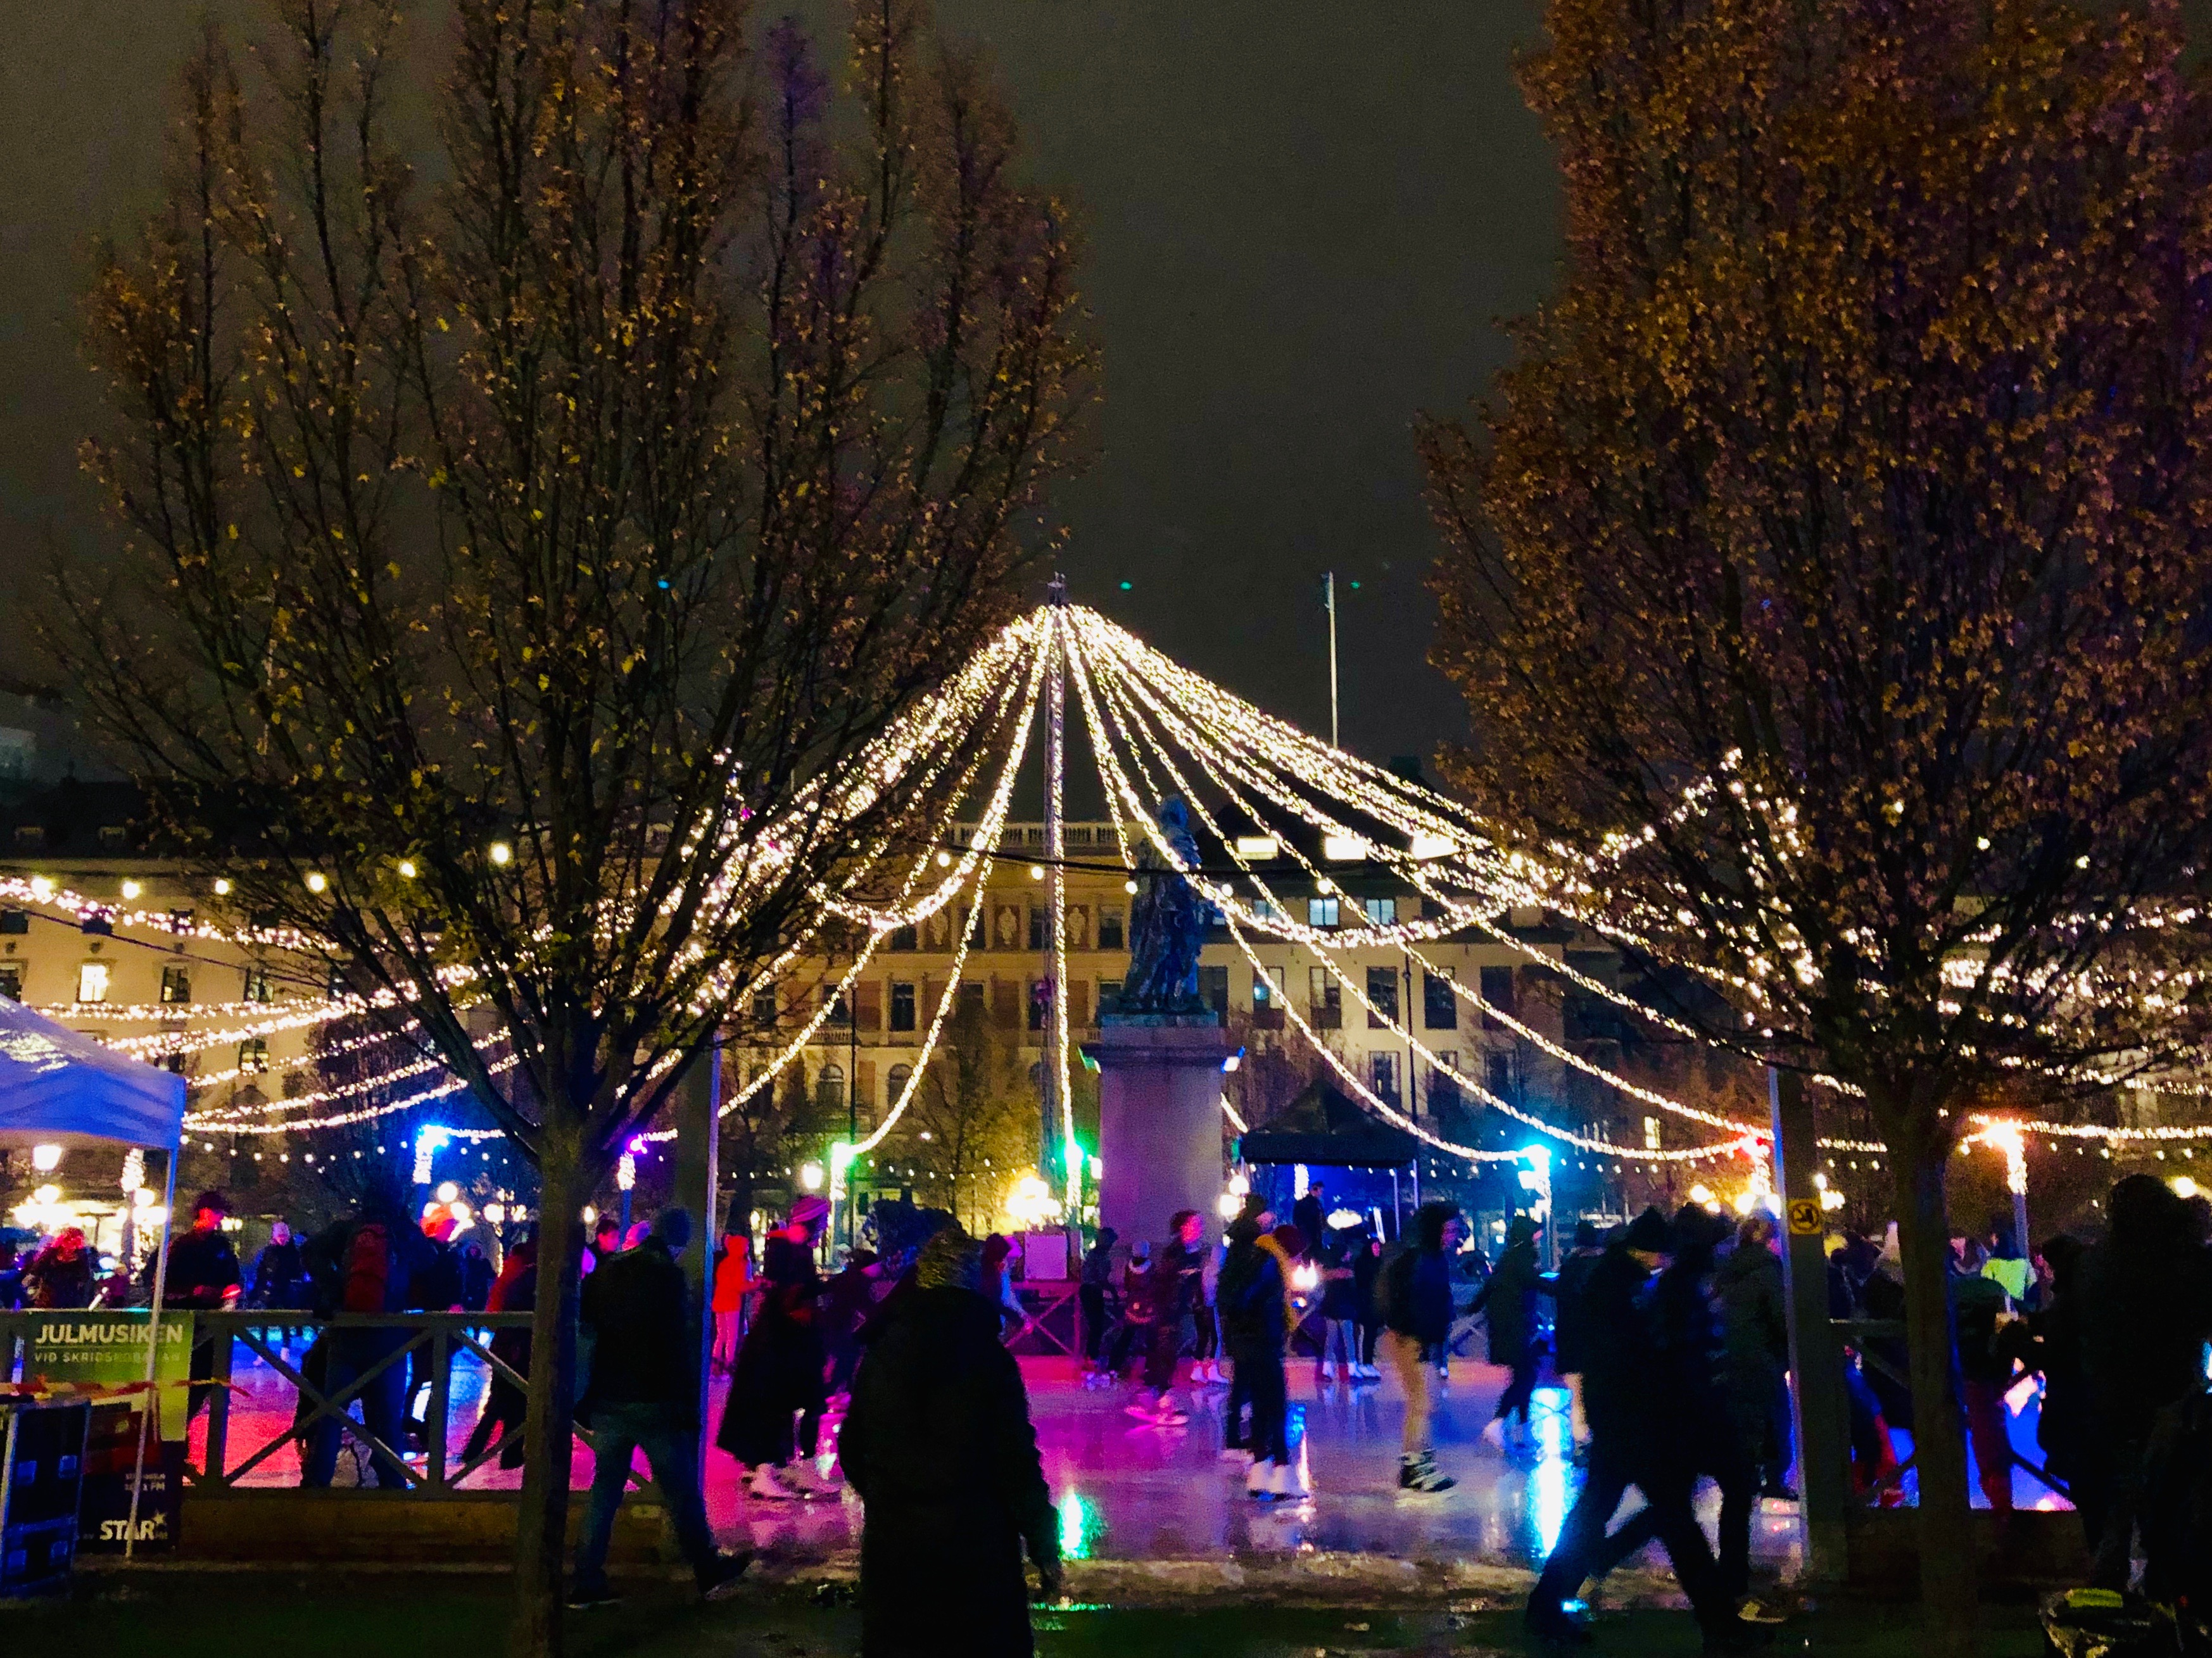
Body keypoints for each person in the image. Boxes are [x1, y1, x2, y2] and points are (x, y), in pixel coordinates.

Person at [1526, 1206, 1751, 1651]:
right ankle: (1720, 1625)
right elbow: (1633, 1357)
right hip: (1633, 1421)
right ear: (1645, 1251)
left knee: (1604, 1512)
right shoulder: (1625, 1291)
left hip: (1622, 1420)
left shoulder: (1614, 1283)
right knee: (1673, 1520)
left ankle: (1546, 1606)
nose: (1660, 1262)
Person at [841, 1225, 1061, 1657]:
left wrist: (893, 1496)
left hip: (897, 1550)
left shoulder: (882, 1353)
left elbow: (853, 1447)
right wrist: (1042, 1544)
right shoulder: (988, 1358)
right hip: (977, 1547)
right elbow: (1016, 1461)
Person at [569, 1208, 750, 1609]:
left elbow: (588, 1332)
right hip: (653, 1400)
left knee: (605, 1490)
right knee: (681, 1490)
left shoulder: (609, 1272)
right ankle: (706, 1567)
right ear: (679, 1243)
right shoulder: (667, 1280)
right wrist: (687, 1405)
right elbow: (675, 1348)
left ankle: (586, 1578)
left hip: (609, 1399)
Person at [2080, 1174, 2212, 1585]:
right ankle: (2162, 1589)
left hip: (2112, 1399)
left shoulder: (2102, 1263)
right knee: (2172, 1503)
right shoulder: (2179, 1262)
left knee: (2122, 1508)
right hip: (2172, 1400)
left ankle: (2112, 1592)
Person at [300, 1172, 440, 1488]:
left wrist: (335, 1289)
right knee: (388, 1420)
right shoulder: (401, 1230)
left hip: (347, 1334)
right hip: (389, 1335)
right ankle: (392, 1485)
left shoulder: (350, 1227)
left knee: (331, 1414)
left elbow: (310, 1251)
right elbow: (429, 1259)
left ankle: (316, 1485)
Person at [717, 1194, 838, 1500]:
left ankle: (783, 1468)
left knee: (792, 1404)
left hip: (782, 1342)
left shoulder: (787, 1250)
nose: (824, 1228)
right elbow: (791, 1294)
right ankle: (772, 1470)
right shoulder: (790, 1253)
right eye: (822, 1222)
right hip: (783, 1343)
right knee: (782, 1404)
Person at [1218, 1215, 1307, 1499]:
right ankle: (1282, 1471)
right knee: (1275, 1405)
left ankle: (1260, 1469)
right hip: (1265, 1341)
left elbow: (1229, 1303)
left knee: (1259, 1404)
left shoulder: (1234, 1263)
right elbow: (1269, 1303)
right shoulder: (1269, 1261)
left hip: (1242, 1343)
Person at [1379, 1201, 1461, 1493]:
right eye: (1448, 1230)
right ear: (1434, 1231)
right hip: (1412, 1339)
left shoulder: (1434, 1259)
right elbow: (1403, 1302)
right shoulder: (1417, 1261)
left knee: (1429, 1403)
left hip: (1422, 1339)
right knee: (1422, 1402)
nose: (1453, 1235)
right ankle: (1414, 1467)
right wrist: (1414, 1335)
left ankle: (1420, 1462)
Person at [1716, 1213, 1793, 1499]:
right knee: (1774, 1419)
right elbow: (1781, 1318)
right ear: (1771, 1240)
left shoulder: (1730, 1268)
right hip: (1764, 1357)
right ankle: (1774, 1480)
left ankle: (1745, 1479)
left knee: (1746, 1420)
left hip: (1733, 1355)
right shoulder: (1769, 1271)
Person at [161, 1190, 244, 1422]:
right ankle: (177, 1430)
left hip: (215, 1320)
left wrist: (232, 1290)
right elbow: (165, 1284)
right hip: (188, 1321)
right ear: (205, 1212)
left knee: (209, 1377)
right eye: (218, 1213)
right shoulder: (182, 1246)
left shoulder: (221, 1245)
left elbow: (234, 1276)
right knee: (187, 1377)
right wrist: (193, 1291)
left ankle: (181, 1425)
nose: (220, 1219)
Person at [1950, 1236, 2015, 1516]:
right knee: (1990, 1430)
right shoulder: (1991, 1291)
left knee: (1985, 1430)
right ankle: (2001, 1500)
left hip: (1963, 1372)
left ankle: (1995, 1499)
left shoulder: (1954, 1291)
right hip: (1984, 1376)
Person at [461, 1229, 535, 1470]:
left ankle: (480, 1452)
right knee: (511, 1400)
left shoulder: (516, 1270)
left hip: (507, 1344)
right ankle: (508, 1455)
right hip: (516, 1346)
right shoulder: (527, 1275)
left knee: (503, 1400)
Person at [1470, 1213, 1542, 1448]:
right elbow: (1536, 1283)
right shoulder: (1522, 1258)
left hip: (1509, 1327)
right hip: (1516, 1327)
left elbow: (1491, 1287)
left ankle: (1522, 1427)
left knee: (1524, 1375)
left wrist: (1473, 1307)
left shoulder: (1509, 1257)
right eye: (1536, 1235)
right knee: (1526, 1376)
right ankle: (1498, 1422)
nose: (1539, 1239)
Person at [1128, 1210, 1203, 1426]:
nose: (1199, 1229)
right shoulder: (1176, 1254)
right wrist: (1165, 1315)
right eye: (1194, 1224)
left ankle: (1159, 1400)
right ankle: (1159, 1401)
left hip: (1179, 1315)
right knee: (1165, 1357)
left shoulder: (1193, 1254)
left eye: (1200, 1224)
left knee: (1168, 1358)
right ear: (1182, 1229)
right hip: (1168, 1316)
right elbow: (1164, 1286)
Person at [1549, 1219, 1605, 1457]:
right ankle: (1599, 1442)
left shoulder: (1568, 1268)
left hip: (1571, 1340)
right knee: (1599, 1394)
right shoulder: (1603, 1267)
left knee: (1577, 1399)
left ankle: (1581, 1442)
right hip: (1598, 1342)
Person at [1315, 1221, 1362, 1384]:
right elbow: (1353, 1289)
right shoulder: (1347, 1271)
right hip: (1344, 1309)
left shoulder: (1329, 1271)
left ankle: (1327, 1369)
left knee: (1331, 1338)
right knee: (1348, 1338)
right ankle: (1352, 1368)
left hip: (1329, 1307)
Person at [711, 1213, 753, 1373]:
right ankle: (729, 1361)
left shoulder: (725, 1263)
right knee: (732, 1334)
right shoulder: (740, 1264)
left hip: (719, 1301)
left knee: (721, 1333)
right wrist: (755, 1285)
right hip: (732, 1303)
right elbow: (741, 1286)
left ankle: (716, 1358)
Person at [1078, 1227, 1118, 1386]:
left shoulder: (1093, 1254)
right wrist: (1113, 1291)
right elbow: (1101, 1278)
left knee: (1096, 1327)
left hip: (1089, 1291)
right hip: (1092, 1291)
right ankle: (1091, 1359)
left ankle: (1091, 1359)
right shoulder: (1100, 1256)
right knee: (1097, 1327)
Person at [25, 1226, 97, 1308]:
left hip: (70, 1296)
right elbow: (37, 1269)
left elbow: (85, 1277)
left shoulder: (81, 1255)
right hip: (49, 1296)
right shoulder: (51, 1252)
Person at [250, 1220, 305, 1310]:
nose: (282, 1239)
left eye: (284, 1236)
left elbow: (298, 1269)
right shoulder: (269, 1252)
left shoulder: (293, 1252)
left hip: (288, 1288)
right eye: (280, 1236)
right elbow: (262, 1271)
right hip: (272, 1288)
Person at [457, 1239, 495, 1312]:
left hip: (481, 1292)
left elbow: (491, 1275)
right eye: (472, 1249)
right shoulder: (466, 1263)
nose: (474, 1251)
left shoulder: (484, 1263)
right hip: (469, 1292)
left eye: (476, 1249)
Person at [1292, 1181, 1325, 1258]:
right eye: (1321, 1191)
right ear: (1315, 1189)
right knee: (1312, 1257)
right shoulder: (1313, 1204)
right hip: (1311, 1236)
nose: (1321, 1193)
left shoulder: (1302, 1203)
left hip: (1306, 1236)